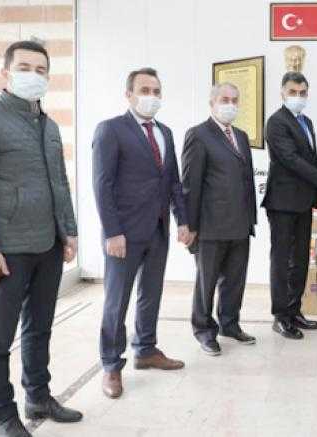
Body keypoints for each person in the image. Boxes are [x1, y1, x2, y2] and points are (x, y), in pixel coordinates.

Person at [0, 40, 82, 437]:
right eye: (25, 67)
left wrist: (69, 231)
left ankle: (38, 396)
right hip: (5, 251)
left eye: (41, 70)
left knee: (39, 328)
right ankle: (2, 415)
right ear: (5, 72)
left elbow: (59, 183)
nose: (34, 75)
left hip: (47, 245)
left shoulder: (49, 126)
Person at [92, 68, 193, 398]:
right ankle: (111, 365)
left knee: (151, 293)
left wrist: (182, 221)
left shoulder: (165, 132)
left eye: (156, 91)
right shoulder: (111, 129)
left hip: (158, 229)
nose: (152, 96)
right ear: (129, 94)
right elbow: (102, 185)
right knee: (116, 301)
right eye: (145, 90)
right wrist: (112, 232)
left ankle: (146, 349)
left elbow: (173, 182)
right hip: (123, 233)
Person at [261, 71, 317, 339]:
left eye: (302, 93)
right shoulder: (276, 122)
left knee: (300, 259)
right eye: (293, 92)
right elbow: (291, 160)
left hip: (303, 200)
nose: (298, 97)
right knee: (281, 261)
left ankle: (294, 311)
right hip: (282, 202)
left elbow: (308, 159)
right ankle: (280, 316)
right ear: (282, 92)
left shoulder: (306, 121)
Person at [181, 83, 257, 356]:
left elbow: (246, 180)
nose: (230, 104)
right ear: (212, 103)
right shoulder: (198, 135)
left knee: (235, 280)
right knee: (207, 283)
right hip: (210, 226)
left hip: (240, 223)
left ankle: (229, 324)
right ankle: (204, 330)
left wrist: (251, 219)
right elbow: (190, 184)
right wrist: (189, 225)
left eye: (235, 100)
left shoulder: (241, 136)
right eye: (224, 99)